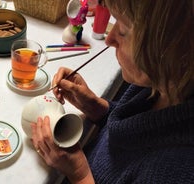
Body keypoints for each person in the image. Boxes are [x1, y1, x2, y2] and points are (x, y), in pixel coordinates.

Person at [30, 0, 194, 183]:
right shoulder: (162, 85)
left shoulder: (176, 171)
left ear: (170, 48)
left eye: (123, 29)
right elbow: (135, 132)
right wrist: (98, 108)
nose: (110, 39)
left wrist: (79, 173)